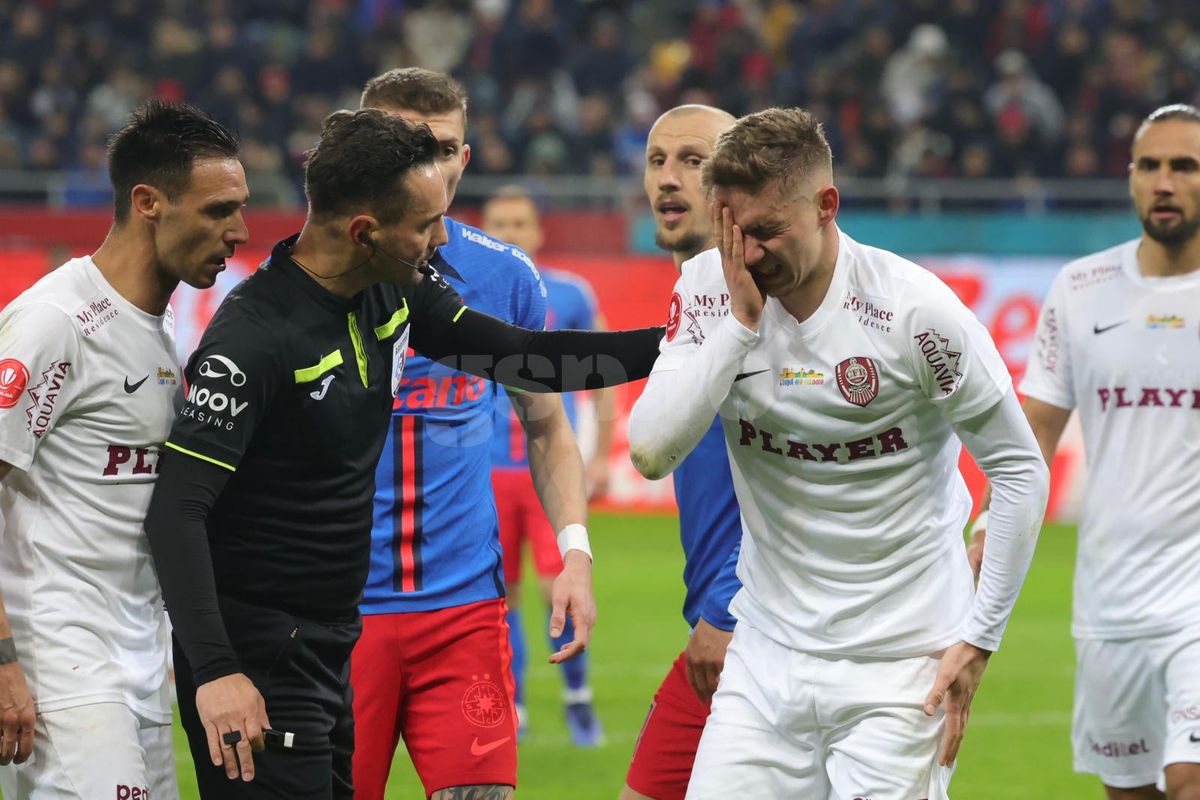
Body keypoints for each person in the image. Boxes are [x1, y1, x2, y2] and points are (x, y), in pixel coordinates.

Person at [144, 108, 661, 800]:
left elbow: (526, 358)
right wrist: (214, 671)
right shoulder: (252, 340)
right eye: (424, 225)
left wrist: (685, 340)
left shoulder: (391, 291)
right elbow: (175, 511)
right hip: (259, 662)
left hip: (333, 646)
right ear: (365, 232)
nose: (440, 239)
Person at [627, 107, 1050, 798]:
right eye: (733, 232)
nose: (749, 255)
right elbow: (650, 451)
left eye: (767, 231)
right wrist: (738, 327)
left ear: (826, 205)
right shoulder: (709, 288)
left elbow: (1019, 468)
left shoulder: (915, 313)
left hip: (902, 664)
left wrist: (979, 639)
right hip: (765, 657)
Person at [348, 68, 598, 799]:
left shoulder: (504, 278)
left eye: (441, 149)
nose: (425, 166)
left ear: (464, 158)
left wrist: (575, 550)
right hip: (335, 617)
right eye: (402, 145)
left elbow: (547, 426)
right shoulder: (299, 283)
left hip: (463, 615)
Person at [0, 100, 248, 799]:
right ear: (148, 203)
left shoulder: (156, 329)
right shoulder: (55, 323)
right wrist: (2, 659)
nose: (239, 231)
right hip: (60, 664)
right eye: (218, 210)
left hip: (138, 662)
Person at [970, 103, 1200, 800]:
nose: (1164, 182)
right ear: (1130, 177)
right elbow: (1035, 432)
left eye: (1184, 166)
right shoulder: (1081, 289)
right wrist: (989, 526)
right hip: (1111, 600)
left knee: (1189, 779)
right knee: (1130, 790)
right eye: (1149, 166)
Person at [620, 104, 745, 800]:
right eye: (657, 160)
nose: (669, 178)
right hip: (716, 628)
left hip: (760, 628)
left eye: (694, 161)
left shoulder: (761, 304)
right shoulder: (693, 303)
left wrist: (726, 609)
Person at [482, 185, 615, 746]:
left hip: (550, 470)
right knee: (502, 596)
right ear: (485, 232)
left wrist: (601, 454)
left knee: (556, 585)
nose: (511, 233)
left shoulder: (570, 293)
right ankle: (515, 706)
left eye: (520, 223)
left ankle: (577, 699)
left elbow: (604, 376)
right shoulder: (462, 296)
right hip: (485, 472)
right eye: (500, 224)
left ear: (538, 232)